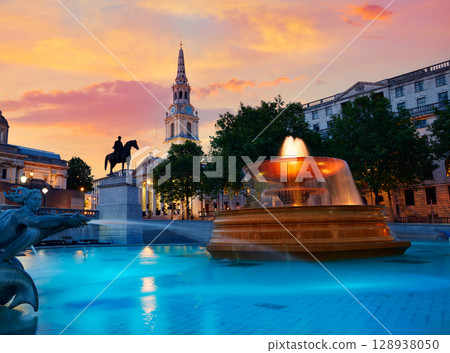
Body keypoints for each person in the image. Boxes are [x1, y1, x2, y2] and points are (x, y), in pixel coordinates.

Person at [0, 187, 88, 263]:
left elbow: (52, 218)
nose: (38, 202)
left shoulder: (14, 212)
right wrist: (68, 220)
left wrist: (71, 218)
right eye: (34, 199)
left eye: (39, 199)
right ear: (26, 201)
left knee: (39, 230)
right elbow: (39, 222)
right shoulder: (21, 214)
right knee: (34, 232)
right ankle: (2, 259)